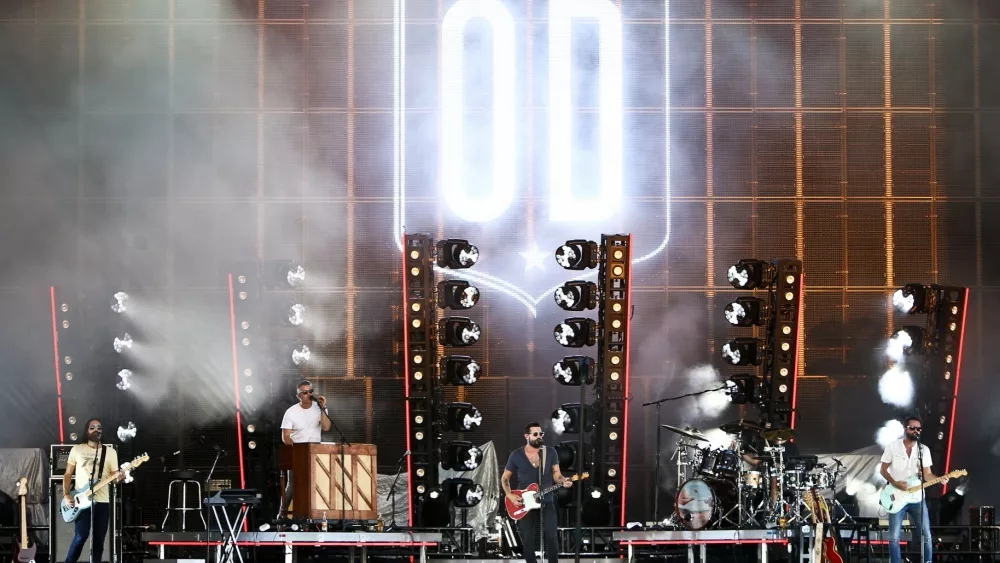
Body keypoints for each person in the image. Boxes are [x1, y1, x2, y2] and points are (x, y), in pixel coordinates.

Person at [501, 423, 573, 563]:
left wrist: (563, 481)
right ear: (526, 436)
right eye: (535, 434)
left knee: (552, 535)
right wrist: (509, 495)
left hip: (546, 500)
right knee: (527, 538)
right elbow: (504, 479)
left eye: (541, 434)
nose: (539, 437)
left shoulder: (550, 452)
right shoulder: (516, 455)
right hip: (524, 502)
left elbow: (557, 475)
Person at [880, 416, 946, 563]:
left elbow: (927, 474)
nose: (916, 431)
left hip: (917, 498)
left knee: (926, 535)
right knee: (894, 537)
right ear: (905, 429)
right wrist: (895, 483)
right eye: (912, 428)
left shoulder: (924, 450)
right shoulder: (892, 446)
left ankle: (927, 561)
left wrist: (939, 479)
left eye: (918, 429)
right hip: (896, 496)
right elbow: (883, 470)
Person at [62, 418, 123, 563]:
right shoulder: (77, 449)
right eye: (92, 427)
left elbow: (114, 479)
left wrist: (119, 477)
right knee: (81, 536)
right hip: (81, 500)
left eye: (99, 428)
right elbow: (68, 474)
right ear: (87, 430)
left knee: (99, 541)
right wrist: (66, 494)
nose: (96, 430)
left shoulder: (110, 452)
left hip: (102, 501)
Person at [277, 380, 333, 519]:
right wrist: (296, 451)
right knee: (292, 486)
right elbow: (285, 436)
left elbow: (326, 427)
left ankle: (317, 516)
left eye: (310, 391)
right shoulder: (291, 412)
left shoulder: (319, 407)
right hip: (297, 453)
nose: (309, 394)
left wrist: (323, 407)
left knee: (317, 484)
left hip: (315, 452)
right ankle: (282, 515)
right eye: (305, 392)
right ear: (299, 396)